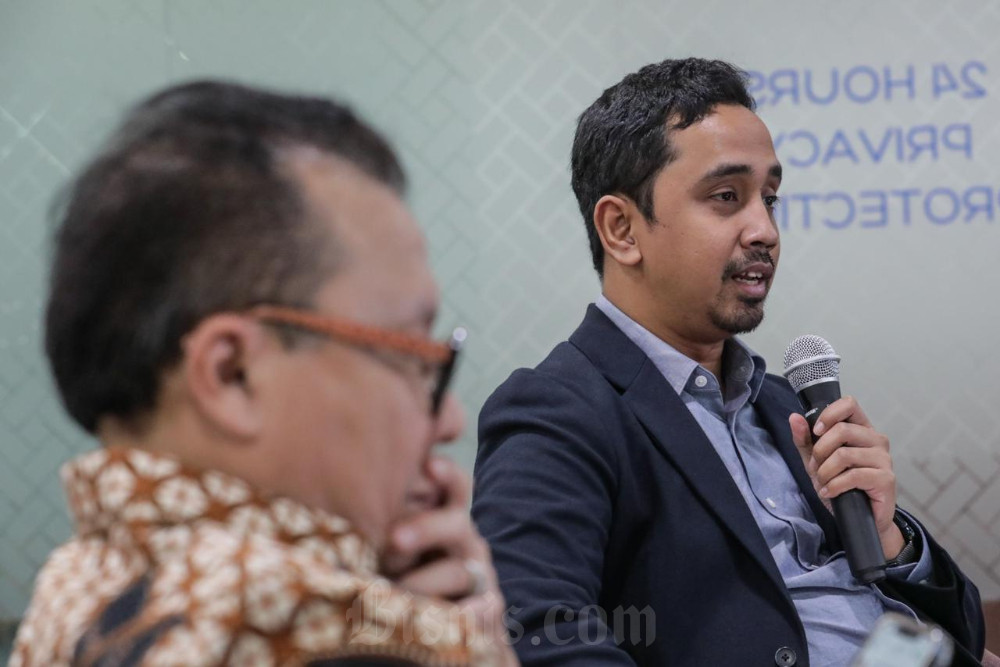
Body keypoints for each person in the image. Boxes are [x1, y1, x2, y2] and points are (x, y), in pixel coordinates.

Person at [472, 58, 985, 667]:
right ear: (622, 229)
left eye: (770, 198)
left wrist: (890, 541)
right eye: (726, 197)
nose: (764, 230)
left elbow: (969, 632)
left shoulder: (784, 402)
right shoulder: (556, 412)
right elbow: (535, 635)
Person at [12, 81, 517, 666]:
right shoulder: (333, 635)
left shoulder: (73, 590)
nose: (449, 420)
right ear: (233, 374)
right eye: (413, 357)